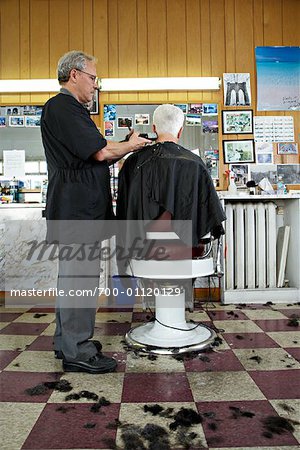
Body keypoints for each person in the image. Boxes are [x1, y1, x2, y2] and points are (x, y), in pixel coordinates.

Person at [41, 50, 150, 374]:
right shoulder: (63, 107)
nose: (95, 86)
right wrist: (131, 145)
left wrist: (125, 144)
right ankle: (80, 351)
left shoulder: (68, 110)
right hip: (77, 213)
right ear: (74, 74)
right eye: (93, 78)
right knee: (81, 281)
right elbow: (101, 152)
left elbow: (94, 155)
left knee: (72, 281)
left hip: (76, 210)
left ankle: (67, 342)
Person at [116, 104, 226, 257]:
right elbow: (209, 216)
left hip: (142, 252)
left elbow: (123, 213)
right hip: (186, 252)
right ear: (180, 131)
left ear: (154, 128)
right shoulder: (195, 164)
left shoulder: (133, 162)